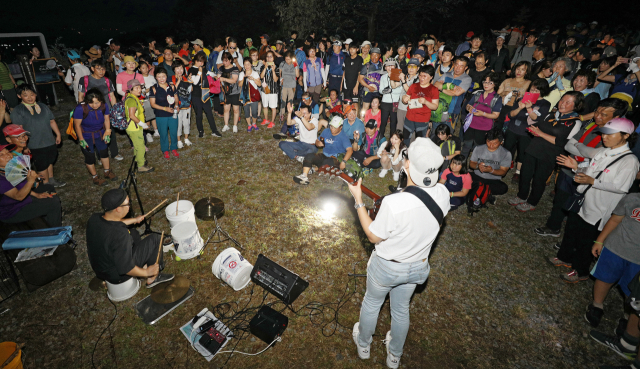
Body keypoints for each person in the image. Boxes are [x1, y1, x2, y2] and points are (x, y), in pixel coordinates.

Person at [348, 137, 450, 369]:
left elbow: (373, 236)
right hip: (417, 266)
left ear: (407, 165)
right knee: (401, 310)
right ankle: (394, 356)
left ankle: (364, 345)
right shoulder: (443, 195)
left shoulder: (395, 204)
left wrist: (357, 200)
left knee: (372, 303)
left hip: (387, 266)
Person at [551, 117, 639, 283]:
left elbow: (621, 187)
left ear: (626, 136)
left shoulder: (630, 161)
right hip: (584, 201)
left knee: (586, 241)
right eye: (604, 134)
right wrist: (576, 167)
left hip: (600, 208)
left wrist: (593, 181)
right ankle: (564, 257)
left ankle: (580, 270)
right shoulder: (603, 151)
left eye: (610, 134)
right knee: (572, 231)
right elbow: (592, 170)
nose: (604, 137)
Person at [534, 98, 629, 238]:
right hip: (568, 168)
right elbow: (568, 146)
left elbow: (595, 154)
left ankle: (570, 240)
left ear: (616, 117)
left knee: (580, 210)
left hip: (587, 177)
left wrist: (578, 146)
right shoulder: (591, 124)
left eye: (604, 114)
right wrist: (584, 149)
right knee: (560, 200)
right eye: (597, 111)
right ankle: (553, 227)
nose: (598, 116)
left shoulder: (615, 136)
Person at [508, 92, 584, 212]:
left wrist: (541, 134)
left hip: (549, 154)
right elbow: (538, 124)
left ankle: (532, 202)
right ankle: (521, 195)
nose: (562, 104)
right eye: (562, 100)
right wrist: (534, 131)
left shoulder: (575, 122)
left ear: (576, 105)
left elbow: (565, 143)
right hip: (534, 148)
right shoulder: (551, 114)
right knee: (525, 174)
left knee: (539, 179)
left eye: (568, 102)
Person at [86, 189, 174, 287]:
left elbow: (113, 223)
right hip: (117, 275)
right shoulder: (120, 234)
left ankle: (143, 264)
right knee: (156, 239)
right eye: (128, 203)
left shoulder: (94, 218)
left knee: (133, 233)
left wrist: (134, 220)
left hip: (102, 268)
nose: (129, 206)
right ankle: (153, 278)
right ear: (118, 209)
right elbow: (126, 269)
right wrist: (147, 273)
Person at [584, 192, 640, 330]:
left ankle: (628, 319)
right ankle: (597, 305)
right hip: (614, 249)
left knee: (632, 291)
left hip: (637, 260)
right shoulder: (632, 198)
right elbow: (615, 220)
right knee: (604, 278)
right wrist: (599, 241)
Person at [10, 85, 65, 187]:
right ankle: (46, 184)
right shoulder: (18, 110)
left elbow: (52, 121)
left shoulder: (43, 106)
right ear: (19, 96)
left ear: (35, 94)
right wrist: (24, 146)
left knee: (49, 160)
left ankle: (51, 179)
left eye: (32, 94)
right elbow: (19, 131)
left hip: (48, 140)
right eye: (25, 95)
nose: (30, 97)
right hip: (34, 143)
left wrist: (58, 134)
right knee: (41, 163)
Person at [504, 78, 552, 184]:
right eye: (532, 89)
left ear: (543, 91)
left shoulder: (545, 104)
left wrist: (529, 108)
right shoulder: (521, 98)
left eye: (537, 90)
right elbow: (510, 115)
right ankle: (504, 167)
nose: (533, 92)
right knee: (507, 149)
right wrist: (520, 108)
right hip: (512, 128)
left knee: (523, 152)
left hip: (527, 132)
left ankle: (518, 172)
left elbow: (536, 118)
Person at [0, 144, 61, 227]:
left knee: (48, 188)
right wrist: (30, 181)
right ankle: (56, 234)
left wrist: (36, 194)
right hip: (12, 211)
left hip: (22, 201)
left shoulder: (11, 168)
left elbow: (21, 186)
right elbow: (18, 196)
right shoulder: (1, 179)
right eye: (1, 155)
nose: (7, 155)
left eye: (7, 152)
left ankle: (48, 221)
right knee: (53, 203)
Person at [78, 60, 123, 162]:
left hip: (107, 111)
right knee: (96, 134)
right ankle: (100, 156)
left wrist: (115, 110)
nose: (101, 71)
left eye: (103, 69)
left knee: (110, 132)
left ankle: (114, 153)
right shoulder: (85, 80)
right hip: (90, 112)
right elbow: (80, 96)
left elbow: (112, 96)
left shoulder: (107, 81)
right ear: (92, 68)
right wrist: (82, 110)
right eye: (98, 68)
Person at [73, 89, 117, 186]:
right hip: (86, 135)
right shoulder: (80, 108)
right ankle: (95, 177)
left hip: (100, 133)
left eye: (97, 102)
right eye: (91, 103)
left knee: (104, 152)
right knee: (90, 156)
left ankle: (107, 171)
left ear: (101, 100)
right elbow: (77, 125)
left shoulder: (104, 105)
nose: (95, 105)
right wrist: (81, 139)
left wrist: (108, 131)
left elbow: (106, 119)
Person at [293, 118, 353, 185]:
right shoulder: (326, 131)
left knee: (326, 163)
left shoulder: (344, 136)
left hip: (334, 159)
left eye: (335, 127)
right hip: (324, 155)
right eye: (331, 126)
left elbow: (350, 150)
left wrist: (344, 161)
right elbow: (317, 141)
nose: (332, 129)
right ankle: (304, 176)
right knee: (309, 156)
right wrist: (318, 143)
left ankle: (315, 169)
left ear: (340, 127)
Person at [462, 73, 503, 158]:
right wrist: (469, 108)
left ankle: (474, 167)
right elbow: (468, 105)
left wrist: (482, 114)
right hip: (471, 125)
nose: (486, 84)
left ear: (495, 84)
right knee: (466, 146)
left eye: (490, 82)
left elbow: (495, 115)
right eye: (485, 82)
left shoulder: (497, 98)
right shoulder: (478, 93)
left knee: (479, 149)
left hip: (484, 128)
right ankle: (462, 166)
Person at [401, 65, 439, 147]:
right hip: (409, 117)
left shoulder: (433, 89)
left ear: (431, 77)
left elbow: (435, 106)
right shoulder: (414, 86)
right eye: (420, 75)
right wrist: (404, 99)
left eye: (424, 76)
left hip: (422, 119)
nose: (421, 78)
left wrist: (426, 102)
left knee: (419, 141)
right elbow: (406, 98)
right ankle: (405, 156)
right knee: (405, 138)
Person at [469, 128, 512, 197]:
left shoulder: (506, 153)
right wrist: (478, 166)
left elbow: (503, 171)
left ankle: (479, 189)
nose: (491, 145)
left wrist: (491, 170)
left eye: (495, 143)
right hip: (477, 176)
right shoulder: (478, 148)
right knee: (463, 176)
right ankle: (483, 190)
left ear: (501, 142)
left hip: (492, 180)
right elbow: (471, 164)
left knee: (503, 188)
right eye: (488, 142)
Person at [124, 79, 154, 173]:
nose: (139, 90)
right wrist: (142, 124)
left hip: (135, 127)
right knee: (141, 146)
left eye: (140, 87)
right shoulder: (131, 100)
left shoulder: (133, 98)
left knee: (137, 146)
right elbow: (132, 115)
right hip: (134, 128)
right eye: (136, 88)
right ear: (130, 89)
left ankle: (138, 160)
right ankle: (141, 166)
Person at [189, 53, 221, 137]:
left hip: (205, 93)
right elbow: (195, 82)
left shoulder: (203, 69)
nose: (201, 63)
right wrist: (199, 72)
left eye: (203, 62)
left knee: (209, 112)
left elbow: (210, 73)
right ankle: (200, 131)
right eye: (200, 61)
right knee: (199, 114)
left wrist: (216, 76)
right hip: (196, 95)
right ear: (195, 61)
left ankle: (214, 130)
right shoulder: (191, 70)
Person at [149, 68, 179, 159]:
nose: (161, 78)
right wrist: (164, 108)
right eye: (159, 77)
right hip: (161, 115)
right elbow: (152, 104)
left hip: (172, 114)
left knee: (174, 132)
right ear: (156, 77)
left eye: (163, 76)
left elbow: (176, 98)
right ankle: (165, 149)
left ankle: (174, 147)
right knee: (163, 133)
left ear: (167, 76)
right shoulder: (154, 88)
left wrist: (176, 105)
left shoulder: (172, 86)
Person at [496, 61, 531, 130]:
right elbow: (497, 95)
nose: (519, 71)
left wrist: (520, 96)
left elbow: (530, 99)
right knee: (498, 129)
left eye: (523, 70)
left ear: (526, 72)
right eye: (518, 69)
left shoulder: (528, 83)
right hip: (504, 107)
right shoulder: (507, 81)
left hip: (517, 109)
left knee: (509, 130)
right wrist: (505, 93)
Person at [378, 59, 403, 140]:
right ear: (385, 67)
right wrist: (385, 90)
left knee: (393, 122)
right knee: (383, 122)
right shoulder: (383, 77)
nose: (390, 67)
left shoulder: (399, 75)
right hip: (385, 102)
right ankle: (380, 138)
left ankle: (392, 139)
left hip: (395, 102)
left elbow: (400, 91)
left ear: (395, 66)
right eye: (388, 65)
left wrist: (391, 90)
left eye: (392, 65)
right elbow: (380, 90)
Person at [217, 52, 241, 134]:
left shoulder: (235, 69)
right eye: (223, 61)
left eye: (226, 61)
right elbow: (218, 77)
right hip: (225, 92)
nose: (224, 63)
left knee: (235, 110)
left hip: (234, 92)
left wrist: (223, 79)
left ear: (230, 60)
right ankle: (226, 125)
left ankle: (235, 125)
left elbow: (234, 80)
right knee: (226, 109)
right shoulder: (221, 68)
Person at [396, 58, 420, 134]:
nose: (411, 69)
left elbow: (412, 93)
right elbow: (394, 86)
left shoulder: (419, 79)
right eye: (409, 66)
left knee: (410, 130)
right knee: (399, 129)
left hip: (411, 109)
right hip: (401, 107)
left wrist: (403, 81)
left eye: (414, 67)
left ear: (418, 68)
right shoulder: (405, 76)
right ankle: (399, 145)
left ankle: (410, 145)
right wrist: (391, 77)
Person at [138, 59, 159, 142]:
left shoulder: (151, 77)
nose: (145, 69)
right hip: (145, 99)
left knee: (154, 115)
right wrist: (150, 89)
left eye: (146, 67)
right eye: (143, 68)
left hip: (154, 98)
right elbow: (141, 91)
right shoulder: (140, 78)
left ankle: (156, 130)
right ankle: (148, 133)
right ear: (139, 69)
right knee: (148, 117)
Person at [358, 47, 383, 114]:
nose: (374, 57)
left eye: (376, 55)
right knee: (365, 109)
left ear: (379, 55)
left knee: (376, 109)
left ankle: (375, 122)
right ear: (370, 55)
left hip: (378, 92)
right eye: (372, 55)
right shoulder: (366, 66)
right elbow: (360, 79)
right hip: (367, 91)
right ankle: (362, 122)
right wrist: (368, 87)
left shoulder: (382, 66)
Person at [239, 58, 262, 132]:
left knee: (254, 111)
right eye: (245, 64)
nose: (247, 66)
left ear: (251, 64)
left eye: (248, 64)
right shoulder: (242, 74)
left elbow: (259, 84)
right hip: (245, 95)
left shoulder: (255, 73)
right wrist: (244, 78)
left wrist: (253, 79)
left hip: (253, 95)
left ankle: (254, 123)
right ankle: (249, 124)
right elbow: (239, 84)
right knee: (246, 111)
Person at [260, 51, 279, 128]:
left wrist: (273, 70)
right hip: (264, 89)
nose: (269, 58)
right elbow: (261, 77)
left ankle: (272, 121)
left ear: (273, 58)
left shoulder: (276, 68)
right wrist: (265, 68)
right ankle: (266, 119)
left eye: (271, 56)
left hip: (273, 90)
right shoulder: (263, 67)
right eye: (267, 56)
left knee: (273, 107)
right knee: (265, 105)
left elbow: (275, 80)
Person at [279, 51, 299, 120]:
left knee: (290, 101)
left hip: (292, 85)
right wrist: (280, 78)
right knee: (283, 100)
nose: (287, 61)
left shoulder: (295, 64)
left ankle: (289, 114)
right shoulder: (282, 63)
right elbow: (280, 73)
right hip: (284, 84)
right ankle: (281, 114)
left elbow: (297, 75)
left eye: (288, 59)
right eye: (286, 59)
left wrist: (296, 65)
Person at [343, 44, 364, 111]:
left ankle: (356, 119)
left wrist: (356, 86)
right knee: (346, 103)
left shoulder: (359, 59)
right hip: (346, 85)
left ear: (357, 49)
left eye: (353, 48)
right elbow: (344, 72)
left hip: (355, 85)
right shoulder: (347, 59)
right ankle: (346, 118)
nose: (351, 50)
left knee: (355, 103)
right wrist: (341, 84)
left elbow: (360, 73)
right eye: (350, 49)